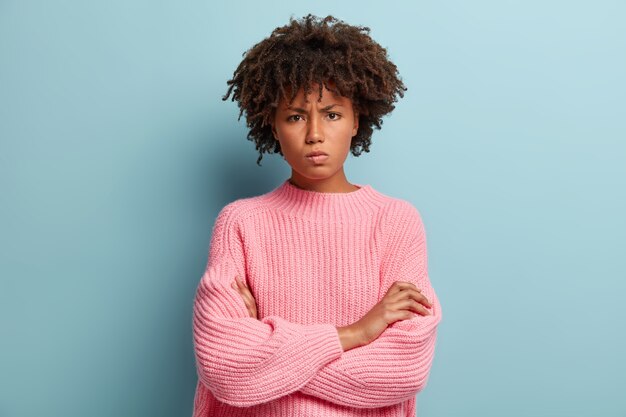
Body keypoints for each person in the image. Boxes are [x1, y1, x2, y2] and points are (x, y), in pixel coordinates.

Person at [191, 14, 442, 417]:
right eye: (294, 116)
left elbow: (405, 368)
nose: (314, 133)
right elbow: (225, 367)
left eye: (331, 114)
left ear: (356, 120)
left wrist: (270, 355)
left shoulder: (396, 221)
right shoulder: (240, 224)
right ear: (272, 125)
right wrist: (358, 332)